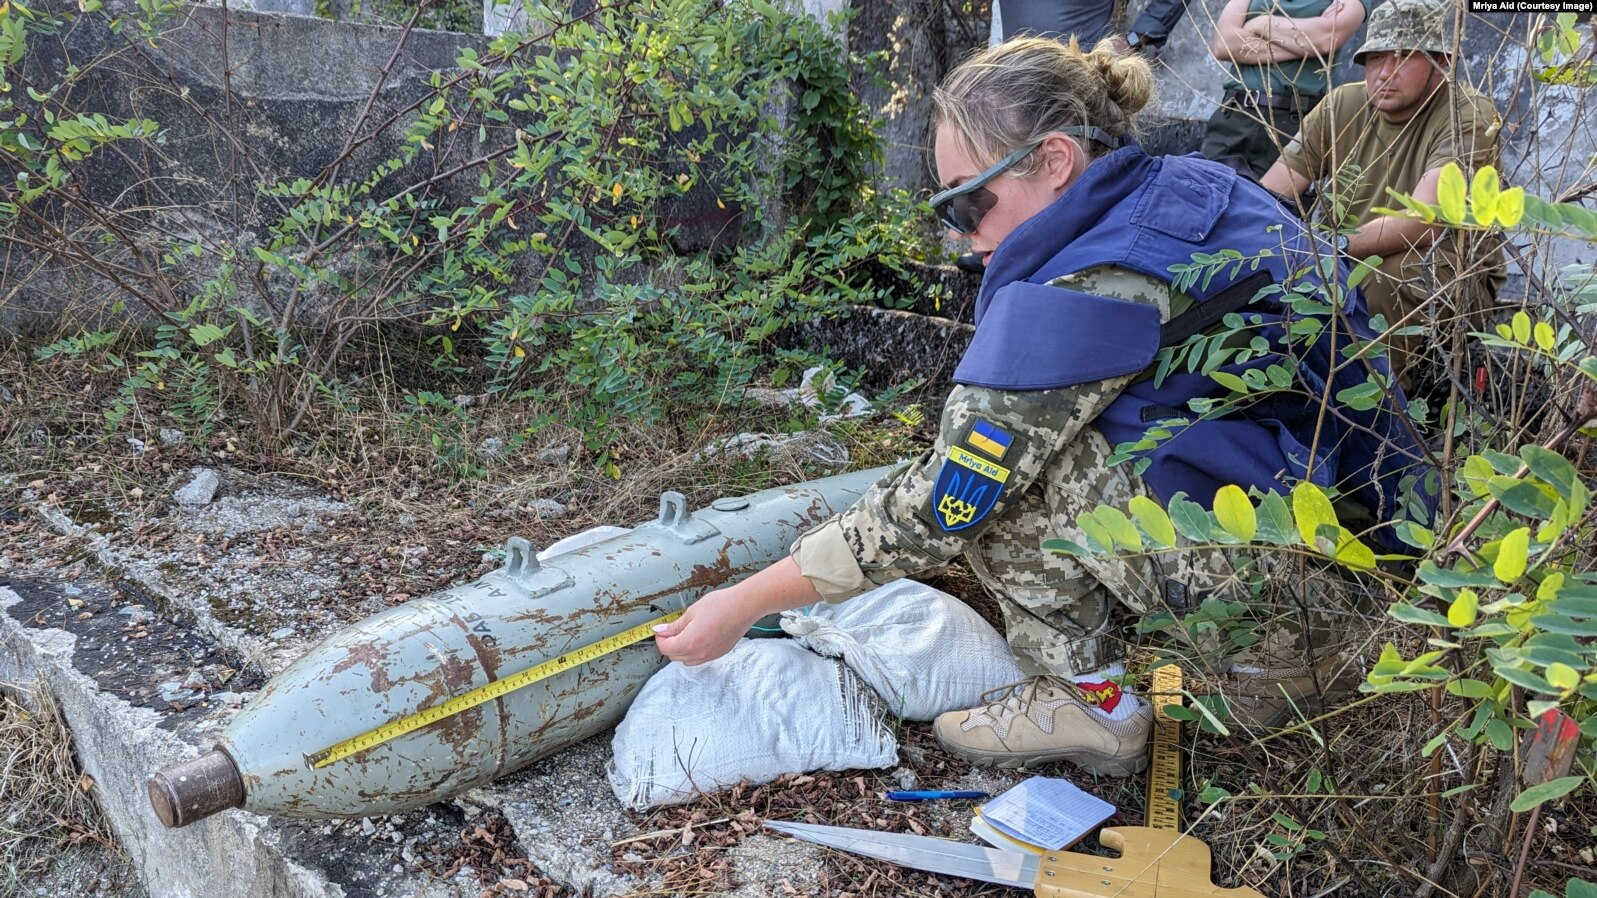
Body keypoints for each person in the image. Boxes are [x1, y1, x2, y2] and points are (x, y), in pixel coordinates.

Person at [656, 37, 1429, 776]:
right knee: (1035, 449)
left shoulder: (1093, 284)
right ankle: (1274, 646)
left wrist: (741, 600)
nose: (962, 239)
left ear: (1054, 160)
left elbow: (942, 504)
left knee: (993, 485)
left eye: (969, 204)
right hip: (1377, 549)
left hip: (1309, 605)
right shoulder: (1195, 186)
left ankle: (1111, 697)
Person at [1261, 0, 1504, 388]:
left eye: (1404, 58)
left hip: (1445, 269)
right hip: (1339, 253)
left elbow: (1423, 223)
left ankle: (1382, 405)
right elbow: (1271, 195)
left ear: (1441, 63)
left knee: (1380, 273)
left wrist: (1326, 249)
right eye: (1375, 59)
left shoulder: (1468, 114)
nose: (1386, 73)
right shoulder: (1344, 104)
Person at [1202, 0, 1368, 177]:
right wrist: (1304, 44)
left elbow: (1326, 38)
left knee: (1273, 203)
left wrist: (1262, 22)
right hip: (1235, 114)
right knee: (1204, 197)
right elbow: (1223, 44)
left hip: (1293, 122)